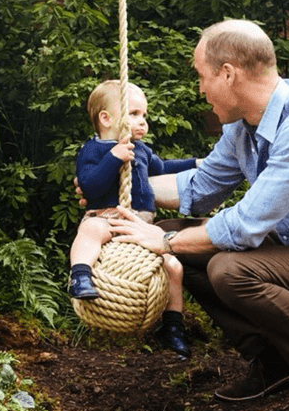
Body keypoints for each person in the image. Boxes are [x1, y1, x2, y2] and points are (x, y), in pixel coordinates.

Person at [78, 19, 289, 411]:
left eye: (202, 76)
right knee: (186, 240)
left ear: (227, 73)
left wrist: (161, 239)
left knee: (225, 266)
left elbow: (244, 226)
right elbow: (199, 188)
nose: (200, 89)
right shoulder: (244, 125)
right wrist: (112, 188)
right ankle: (275, 361)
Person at [69, 79, 200, 358]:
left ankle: (172, 327)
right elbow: (90, 186)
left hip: (141, 226)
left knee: (173, 267)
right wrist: (114, 158)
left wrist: (196, 163)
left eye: (144, 115)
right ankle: (80, 275)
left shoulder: (141, 149)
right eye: (134, 114)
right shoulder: (93, 150)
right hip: (107, 218)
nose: (143, 122)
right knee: (91, 229)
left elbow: (163, 168)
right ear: (106, 118)